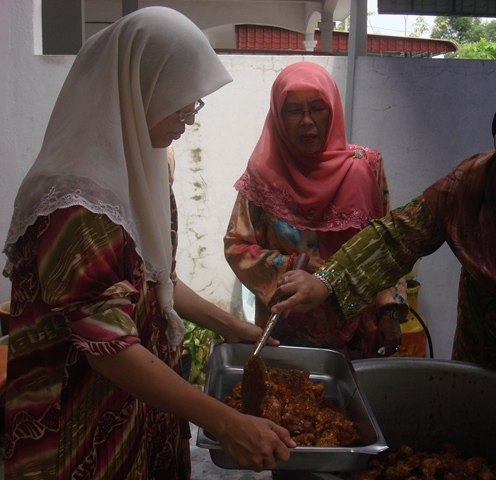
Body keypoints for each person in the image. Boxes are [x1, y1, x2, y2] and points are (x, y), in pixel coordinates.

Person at [271, 72, 496, 475]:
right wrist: (328, 281)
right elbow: (398, 235)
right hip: (480, 363)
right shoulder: (472, 182)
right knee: (469, 456)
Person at [1, 7, 294, 479]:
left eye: (194, 106)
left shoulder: (142, 171)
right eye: (182, 105)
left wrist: (229, 326)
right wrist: (226, 422)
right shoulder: (74, 203)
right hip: (79, 425)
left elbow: (156, 279)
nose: (189, 120)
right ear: (137, 90)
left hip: (138, 404)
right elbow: (109, 346)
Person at [224, 62, 406, 360]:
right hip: (289, 331)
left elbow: (388, 243)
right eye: (294, 110)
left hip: (358, 331)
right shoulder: (262, 177)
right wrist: (294, 265)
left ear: (332, 110)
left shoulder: (366, 166)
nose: (306, 121)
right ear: (278, 116)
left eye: (317, 109)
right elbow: (237, 247)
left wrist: (391, 308)